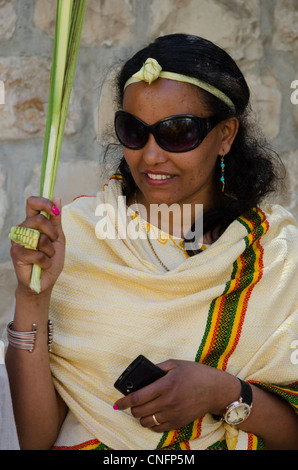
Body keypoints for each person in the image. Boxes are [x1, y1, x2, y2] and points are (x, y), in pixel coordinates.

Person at [5, 34, 298, 450]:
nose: (151, 156)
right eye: (134, 131)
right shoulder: (75, 238)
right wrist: (32, 295)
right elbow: (36, 440)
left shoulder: (279, 260)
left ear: (226, 135)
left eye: (178, 132)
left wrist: (223, 393)